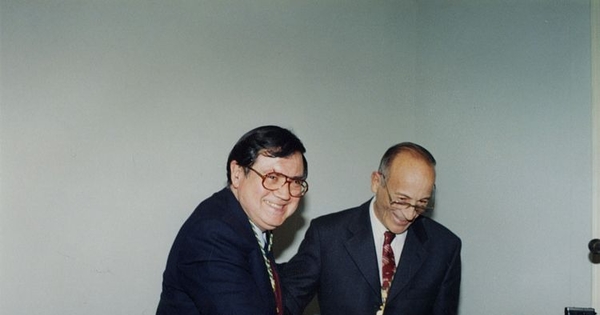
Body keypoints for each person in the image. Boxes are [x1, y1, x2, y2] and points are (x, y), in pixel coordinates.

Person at [280, 142, 461, 315]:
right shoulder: (327, 235)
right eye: (401, 200)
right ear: (376, 182)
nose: (409, 214)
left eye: (421, 203)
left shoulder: (444, 247)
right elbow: (286, 304)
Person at [157, 125, 309, 315]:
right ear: (237, 174)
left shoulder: (244, 222)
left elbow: (263, 283)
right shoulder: (213, 234)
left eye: (295, 182)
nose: (284, 194)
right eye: (272, 177)